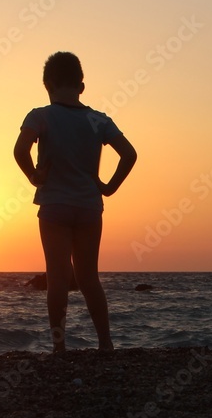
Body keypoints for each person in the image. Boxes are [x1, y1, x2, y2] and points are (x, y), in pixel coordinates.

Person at [14, 52, 137, 354]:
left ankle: (60, 347)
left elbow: (20, 150)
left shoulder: (40, 115)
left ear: (48, 84)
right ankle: (105, 343)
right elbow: (130, 154)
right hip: (88, 207)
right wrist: (109, 187)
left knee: (57, 278)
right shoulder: (98, 120)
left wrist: (34, 175)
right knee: (88, 277)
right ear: (81, 86)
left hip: (55, 205)